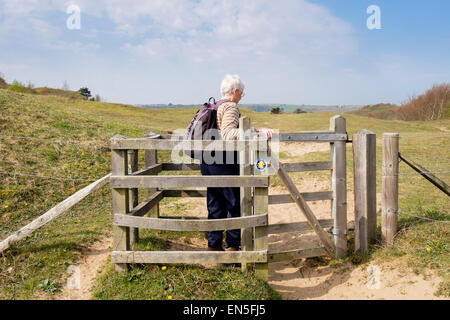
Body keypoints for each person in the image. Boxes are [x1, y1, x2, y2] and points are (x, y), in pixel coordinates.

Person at [201, 74, 273, 252]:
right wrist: (256, 132)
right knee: (233, 203)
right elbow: (228, 134)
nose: (241, 96)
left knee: (215, 203)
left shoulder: (214, 105)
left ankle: (214, 245)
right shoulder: (230, 107)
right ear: (235, 91)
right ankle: (232, 246)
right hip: (223, 162)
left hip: (208, 161)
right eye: (242, 93)